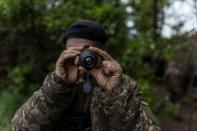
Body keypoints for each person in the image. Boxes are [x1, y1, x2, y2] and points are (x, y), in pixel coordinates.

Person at [11, 20, 161, 131]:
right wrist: (57, 87)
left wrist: (116, 93)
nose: (79, 59)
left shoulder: (123, 86)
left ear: (102, 52)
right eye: (72, 52)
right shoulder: (57, 84)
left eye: (86, 52)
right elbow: (19, 128)